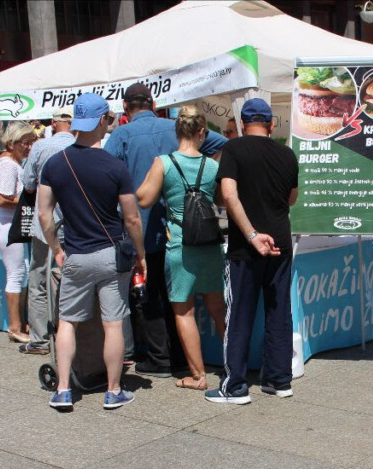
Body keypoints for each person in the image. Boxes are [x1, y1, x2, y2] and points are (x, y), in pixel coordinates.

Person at [104, 83, 227, 377]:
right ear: (154, 102)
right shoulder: (178, 130)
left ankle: (162, 360)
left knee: (156, 297)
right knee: (202, 302)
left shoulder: (122, 136)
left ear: (125, 107)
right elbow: (222, 143)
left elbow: (116, 180)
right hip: (197, 232)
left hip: (146, 229)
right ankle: (214, 361)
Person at [39, 93, 145, 410]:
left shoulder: (55, 164)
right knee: (113, 323)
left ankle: (62, 389)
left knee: (67, 321)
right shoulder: (115, 167)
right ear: (102, 121)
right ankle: (113, 391)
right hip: (111, 255)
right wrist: (140, 254)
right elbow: (132, 217)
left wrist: (56, 248)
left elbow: (45, 214)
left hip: (76, 255)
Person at [206, 98, 298, 404]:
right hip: (281, 241)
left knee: (240, 314)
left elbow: (229, 196)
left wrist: (252, 233)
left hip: (247, 246)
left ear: (243, 124)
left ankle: (234, 386)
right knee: (279, 311)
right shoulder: (287, 154)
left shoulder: (233, 149)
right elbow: (291, 199)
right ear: (272, 124)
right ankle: (279, 379)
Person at [136, 106, 226, 391]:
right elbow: (222, 200)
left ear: (178, 132)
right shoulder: (212, 166)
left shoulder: (164, 162)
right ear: (202, 132)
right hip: (209, 244)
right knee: (217, 306)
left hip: (180, 245)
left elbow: (144, 199)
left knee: (183, 311)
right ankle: (235, 364)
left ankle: (198, 376)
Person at [19, 106, 74, 355]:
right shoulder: (84, 146)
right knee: (74, 280)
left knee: (39, 279)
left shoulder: (41, 147)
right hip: (76, 222)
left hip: (46, 223)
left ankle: (41, 339)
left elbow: (28, 184)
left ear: (52, 122)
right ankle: (73, 332)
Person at [0, 121, 37, 344]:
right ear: (11, 143)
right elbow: (2, 199)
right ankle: (15, 326)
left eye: (31, 142)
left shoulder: (10, 162)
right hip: (8, 224)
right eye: (25, 143)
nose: (29, 147)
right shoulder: (8, 165)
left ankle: (21, 321)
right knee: (16, 273)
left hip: (12, 224)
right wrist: (30, 201)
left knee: (23, 271)